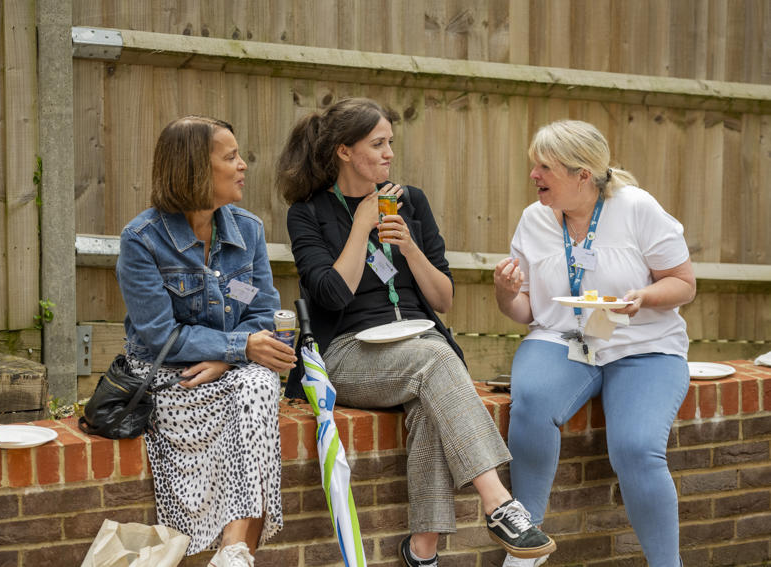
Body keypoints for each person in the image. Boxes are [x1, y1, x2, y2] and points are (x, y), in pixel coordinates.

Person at [277, 97, 555, 567]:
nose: (389, 154)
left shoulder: (411, 201)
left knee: (431, 396)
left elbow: (443, 299)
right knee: (438, 360)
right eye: (377, 144)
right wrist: (361, 225)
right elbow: (330, 295)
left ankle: (422, 552)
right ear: (344, 151)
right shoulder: (308, 213)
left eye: (391, 143)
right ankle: (499, 503)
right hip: (344, 353)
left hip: (416, 345)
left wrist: (409, 249)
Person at [493, 120, 696, 567]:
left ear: (583, 174)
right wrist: (507, 292)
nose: (534, 176)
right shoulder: (534, 218)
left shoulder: (637, 208)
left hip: (643, 343)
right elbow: (527, 312)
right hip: (561, 339)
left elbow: (683, 284)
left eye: (545, 167)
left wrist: (643, 298)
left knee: (637, 447)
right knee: (529, 406)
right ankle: (526, 548)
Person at [115, 116, 297, 567]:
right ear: (196, 167)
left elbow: (260, 312)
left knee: (257, 384)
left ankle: (233, 551)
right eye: (231, 157)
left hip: (224, 372)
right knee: (256, 384)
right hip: (169, 378)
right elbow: (160, 337)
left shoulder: (247, 231)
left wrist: (228, 359)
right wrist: (238, 350)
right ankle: (234, 553)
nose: (243, 166)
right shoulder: (143, 240)